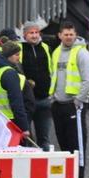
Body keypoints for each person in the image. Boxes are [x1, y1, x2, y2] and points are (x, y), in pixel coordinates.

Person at [50, 21, 89, 178]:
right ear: (59, 35)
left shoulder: (81, 53)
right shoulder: (56, 53)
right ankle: (67, 177)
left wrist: (78, 100)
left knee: (77, 144)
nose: (68, 37)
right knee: (63, 143)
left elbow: (88, 80)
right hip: (58, 104)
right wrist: (53, 98)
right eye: (65, 34)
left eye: (71, 34)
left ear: (75, 35)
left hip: (73, 105)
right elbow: (54, 76)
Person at [21, 20, 54, 150]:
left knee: (44, 139)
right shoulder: (20, 49)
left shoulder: (45, 48)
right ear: (24, 35)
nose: (34, 36)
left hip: (44, 99)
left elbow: (51, 70)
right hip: (28, 101)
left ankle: (44, 165)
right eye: (31, 33)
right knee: (26, 139)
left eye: (36, 32)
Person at [0, 40, 30, 138]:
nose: (19, 57)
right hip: (8, 121)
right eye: (17, 54)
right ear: (9, 55)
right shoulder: (9, 73)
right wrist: (24, 127)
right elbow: (16, 102)